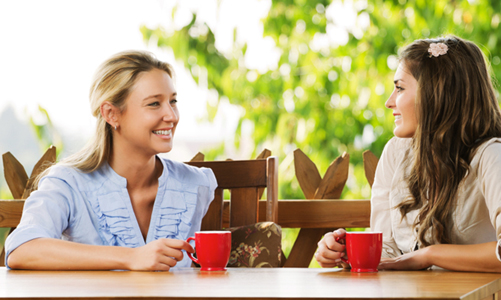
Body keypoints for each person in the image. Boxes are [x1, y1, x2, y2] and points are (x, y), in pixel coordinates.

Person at [5, 51, 217, 271]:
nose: (171, 115)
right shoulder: (68, 183)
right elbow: (21, 249)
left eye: (173, 101)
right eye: (154, 104)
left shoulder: (196, 184)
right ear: (111, 114)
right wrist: (130, 257)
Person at [315, 35, 501, 272]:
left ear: (436, 94)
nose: (389, 102)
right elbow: (387, 255)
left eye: (400, 88)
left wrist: (430, 255)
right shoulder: (395, 153)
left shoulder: (490, 156)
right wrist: (340, 251)